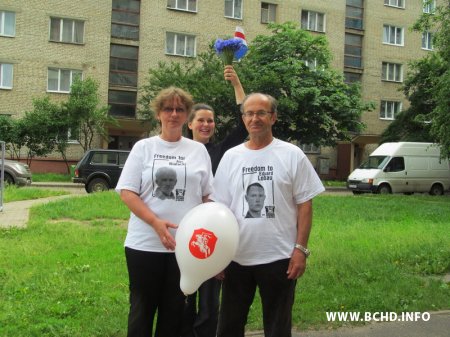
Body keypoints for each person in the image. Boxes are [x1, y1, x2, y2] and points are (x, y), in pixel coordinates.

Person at [210, 93, 325, 337]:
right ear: (243, 119)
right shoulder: (231, 157)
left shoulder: (292, 155)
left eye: (261, 113)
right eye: (249, 113)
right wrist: (218, 255)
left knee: (277, 327)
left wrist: (300, 250)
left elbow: (305, 205)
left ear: (273, 117)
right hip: (236, 258)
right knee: (229, 326)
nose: (255, 118)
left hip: (280, 258)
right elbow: (219, 209)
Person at [116, 87, 213, 337]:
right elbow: (127, 191)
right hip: (144, 244)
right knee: (142, 309)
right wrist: (156, 222)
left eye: (180, 109)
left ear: (186, 115)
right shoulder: (143, 147)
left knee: (175, 312)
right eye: (168, 109)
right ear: (158, 113)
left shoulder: (198, 151)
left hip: (184, 247)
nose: (173, 114)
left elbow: (207, 197)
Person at [181, 65, 247, 337]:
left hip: (211, 236)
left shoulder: (221, 151)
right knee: (181, 302)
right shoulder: (180, 153)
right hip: (181, 234)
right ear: (190, 124)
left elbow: (244, 121)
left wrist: (237, 84)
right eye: (201, 120)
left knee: (209, 305)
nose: (206, 125)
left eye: (210, 121)